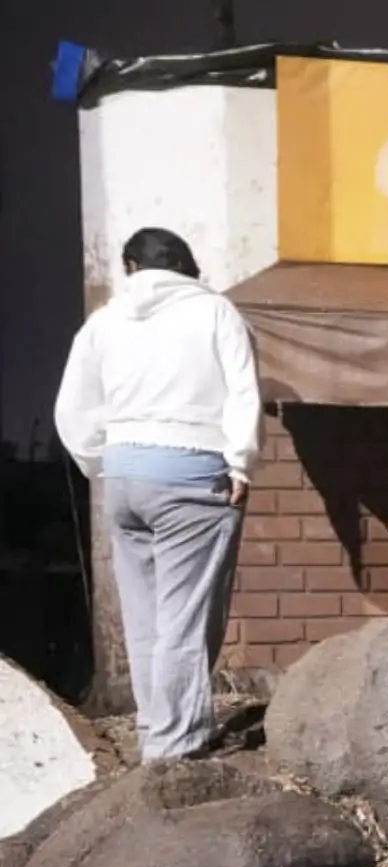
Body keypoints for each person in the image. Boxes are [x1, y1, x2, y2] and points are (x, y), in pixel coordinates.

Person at [54, 227, 262, 760]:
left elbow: (71, 411)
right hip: (193, 474)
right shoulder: (215, 312)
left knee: (145, 619)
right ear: (188, 266)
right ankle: (177, 745)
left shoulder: (103, 322)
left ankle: (156, 732)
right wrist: (240, 461)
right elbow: (243, 390)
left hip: (124, 476)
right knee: (186, 618)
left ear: (130, 266)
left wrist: (102, 463)